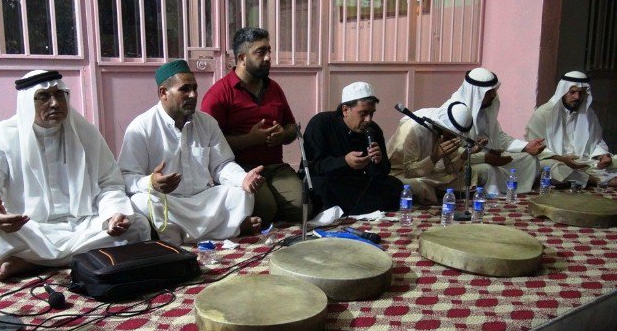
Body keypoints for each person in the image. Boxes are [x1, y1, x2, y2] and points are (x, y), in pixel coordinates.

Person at [0, 70, 150, 281]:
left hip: (84, 224)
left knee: (137, 225)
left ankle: (29, 262)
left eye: (60, 95)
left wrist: (113, 214)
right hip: (31, 228)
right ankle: (75, 257)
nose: (55, 103)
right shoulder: (1, 136)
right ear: (27, 102)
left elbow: (109, 184)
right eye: (44, 97)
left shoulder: (86, 132)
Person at [118, 60, 264, 246]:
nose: (193, 95)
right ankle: (229, 228)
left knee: (239, 193)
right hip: (168, 203)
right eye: (185, 89)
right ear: (163, 93)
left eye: (195, 88)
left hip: (204, 200)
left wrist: (243, 179)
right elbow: (126, 177)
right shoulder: (141, 127)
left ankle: (184, 236)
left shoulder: (207, 123)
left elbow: (222, 165)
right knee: (139, 202)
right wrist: (151, 183)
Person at [201, 27, 302, 226]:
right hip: (241, 169)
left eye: (269, 51)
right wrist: (251, 139)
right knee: (266, 209)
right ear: (242, 58)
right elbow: (208, 146)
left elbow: (292, 128)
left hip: (275, 167)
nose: (268, 57)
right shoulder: (218, 94)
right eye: (260, 52)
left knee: (301, 207)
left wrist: (283, 135)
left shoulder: (273, 88)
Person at [303, 81, 403, 215]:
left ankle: (347, 209)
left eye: (372, 113)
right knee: (321, 187)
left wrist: (378, 161)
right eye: (363, 113)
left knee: (395, 186)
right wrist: (345, 161)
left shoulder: (373, 129)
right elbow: (312, 167)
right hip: (331, 180)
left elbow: (382, 173)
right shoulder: (321, 123)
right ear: (345, 110)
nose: (368, 119)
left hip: (356, 182)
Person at [525, 71, 617, 188]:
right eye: (572, 92)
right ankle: (601, 181)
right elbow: (535, 148)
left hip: (583, 163)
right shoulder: (543, 114)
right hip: (557, 161)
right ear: (563, 91)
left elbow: (597, 141)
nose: (577, 97)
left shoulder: (589, 114)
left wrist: (602, 156)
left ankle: (582, 179)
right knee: (554, 169)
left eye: (581, 93)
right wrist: (562, 159)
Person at [452, 68, 545, 195]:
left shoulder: (486, 110)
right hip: (466, 161)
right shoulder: (456, 112)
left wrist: (525, 146)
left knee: (528, 158)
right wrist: (485, 158)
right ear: (476, 92)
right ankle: (492, 193)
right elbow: (452, 154)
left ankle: (513, 189)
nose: (493, 95)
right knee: (488, 169)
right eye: (489, 92)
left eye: (494, 91)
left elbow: (499, 137)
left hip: (491, 155)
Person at [386, 101, 496, 204]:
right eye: (452, 134)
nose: (454, 138)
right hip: (399, 173)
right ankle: (434, 193)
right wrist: (435, 157)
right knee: (419, 185)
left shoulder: (449, 132)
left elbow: (450, 169)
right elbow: (409, 172)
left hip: (427, 172)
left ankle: (437, 192)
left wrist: (466, 153)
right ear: (444, 126)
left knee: (469, 174)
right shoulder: (414, 129)